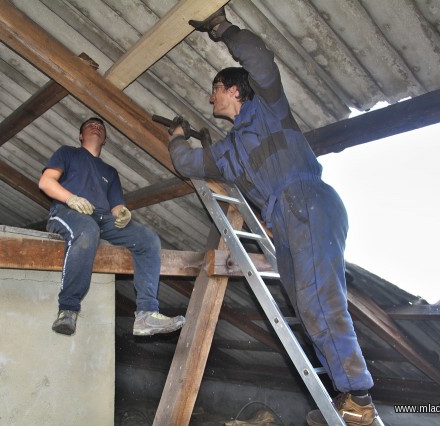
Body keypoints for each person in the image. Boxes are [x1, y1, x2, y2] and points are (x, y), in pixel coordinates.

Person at [168, 9, 381, 426]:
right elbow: (188, 164)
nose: (210, 98)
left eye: (215, 90)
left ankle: (361, 396)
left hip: (308, 201)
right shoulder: (227, 153)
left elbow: (260, 61)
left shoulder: (267, 108)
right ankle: (347, 399)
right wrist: (175, 138)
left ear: (233, 90)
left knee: (322, 301)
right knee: (307, 308)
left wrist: (222, 29)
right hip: (285, 220)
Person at [39, 117, 185, 337]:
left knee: (148, 239)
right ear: (80, 136)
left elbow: (117, 207)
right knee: (88, 231)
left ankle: (146, 314)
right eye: (90, 125)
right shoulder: (67, 153)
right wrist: (71, 199)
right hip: (66, 211)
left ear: (105, 139)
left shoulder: (110, 172)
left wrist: (124, 214)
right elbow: (46, 182)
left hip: (101, 218)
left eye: (100, 126)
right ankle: (68, 309)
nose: (96, 126)